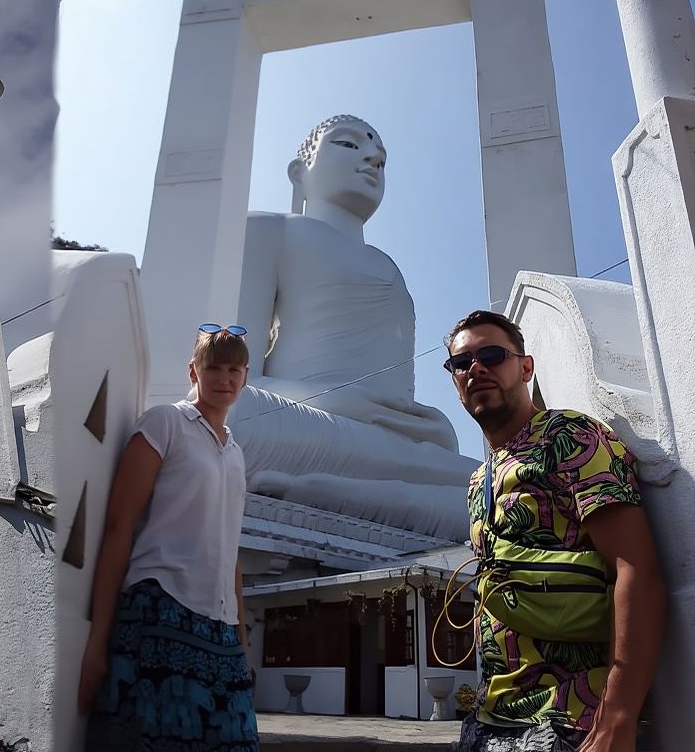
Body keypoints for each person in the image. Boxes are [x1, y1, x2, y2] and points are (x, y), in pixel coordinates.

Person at [231, 114, 474, 541]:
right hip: (302, 422)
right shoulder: (267, 230)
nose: (371, 159)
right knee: (234, 417)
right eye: (348, 145)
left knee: (504, 483)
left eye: (380, 158)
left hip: (389, 441)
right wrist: (340, 402)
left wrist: (430, 426)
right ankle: (401, 499)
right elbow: (234, 377)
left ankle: (339, 492)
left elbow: (402, 405)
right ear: (298, 171)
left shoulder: (391, 268)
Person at [444, 310, 665, 752]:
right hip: (491, 716)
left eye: (492, 354)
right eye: (462, 363)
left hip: (571, 718)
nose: (477, 368)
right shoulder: (478, 479)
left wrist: (618, 713)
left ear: (525, 367)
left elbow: (635, 567)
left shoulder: (570, 436)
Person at [79, 325, 258, 751]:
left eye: (235, 369)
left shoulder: (235, 452)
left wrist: (242, 637)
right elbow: (119, 525)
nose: (225, 378)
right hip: (160, 608)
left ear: (246, 376)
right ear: (194, 371)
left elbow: (230, 547)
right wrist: (97, 642)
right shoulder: (165, 423)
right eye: (214, 367)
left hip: (221, 627)